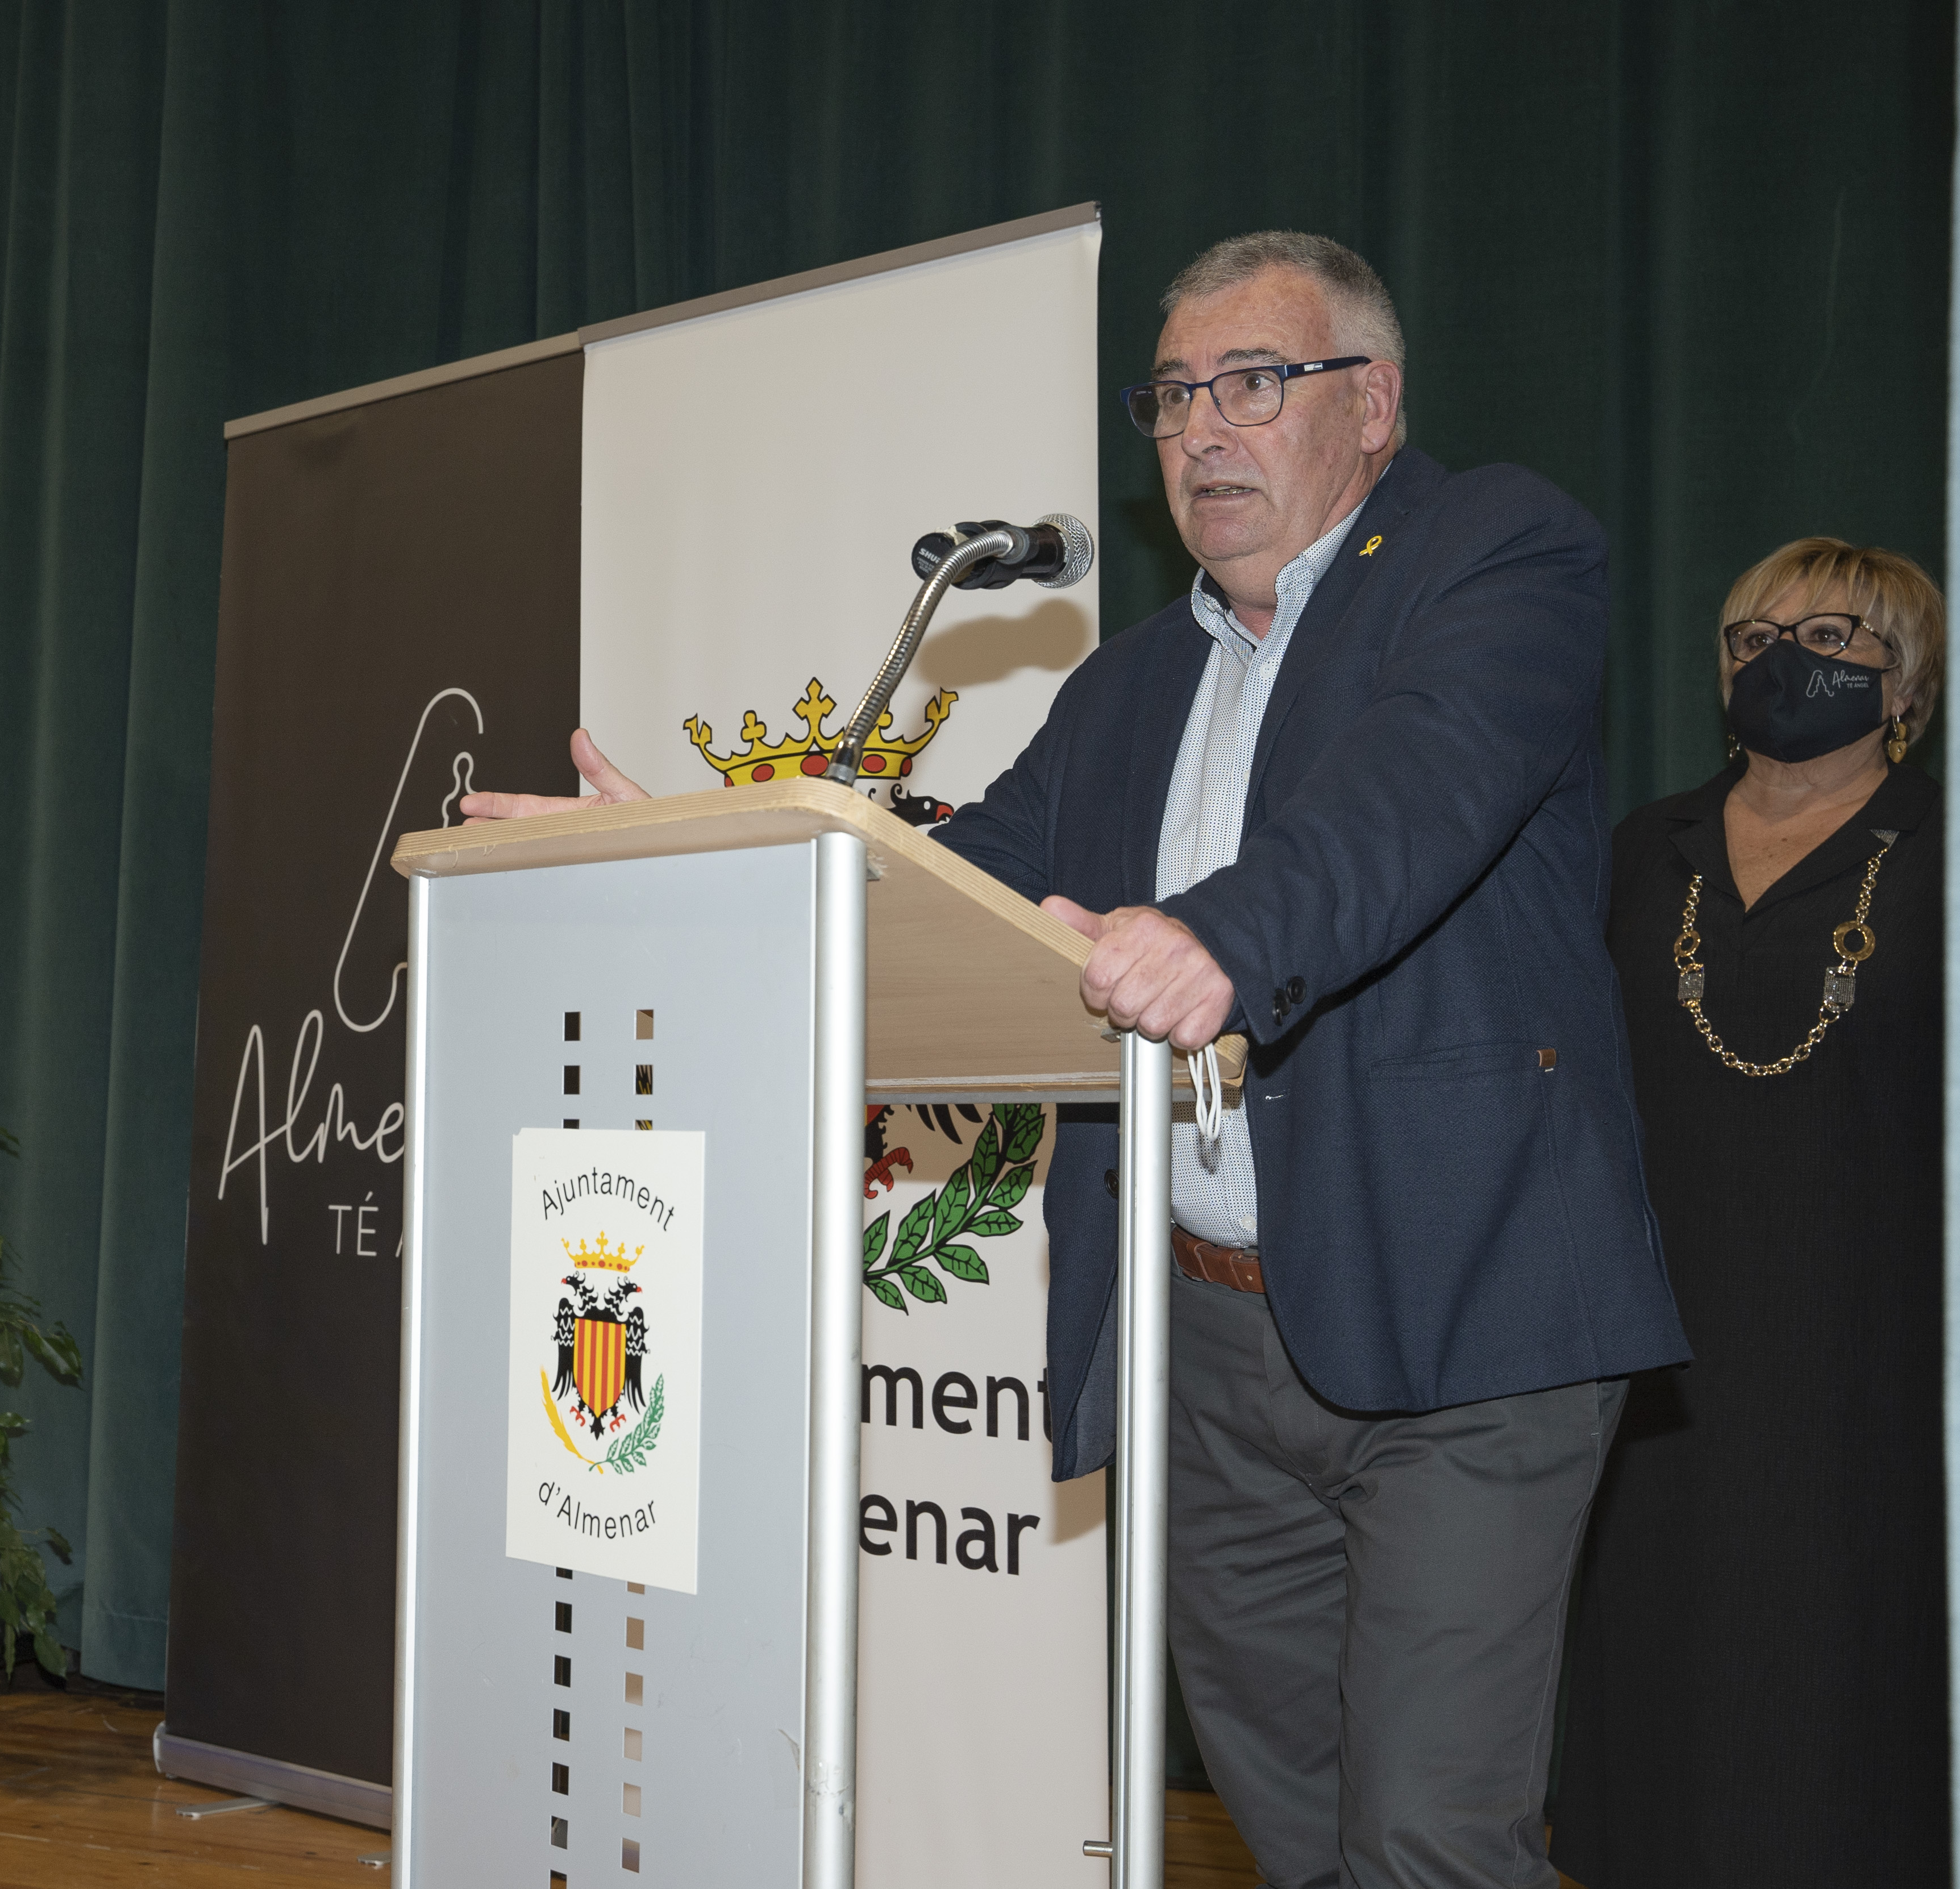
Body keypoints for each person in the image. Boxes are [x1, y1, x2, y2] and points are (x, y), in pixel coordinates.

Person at [465, 230, 1690, 1889]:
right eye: (1172, 396)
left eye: (1253, 383)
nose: (1201, 431)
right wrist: (702, 860)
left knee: (1426, 1836)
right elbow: (957, 878)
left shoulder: (1496, 555)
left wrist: (1218, 937)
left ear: (1375, 404)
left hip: (1467, 1306)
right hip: (1204, 1336)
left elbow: (1418, 791)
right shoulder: (1128, 685)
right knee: (1300, 1829)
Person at [1553, 541, 1947, 1887]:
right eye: (1754, 636)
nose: (1784, 658)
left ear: (1907, 684)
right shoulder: (1642, 849)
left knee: (1841, 1688)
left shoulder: (1943, 857)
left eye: (1831, 636)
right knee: (1664, 1665)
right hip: (1660, 1350)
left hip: (1873, 1356)